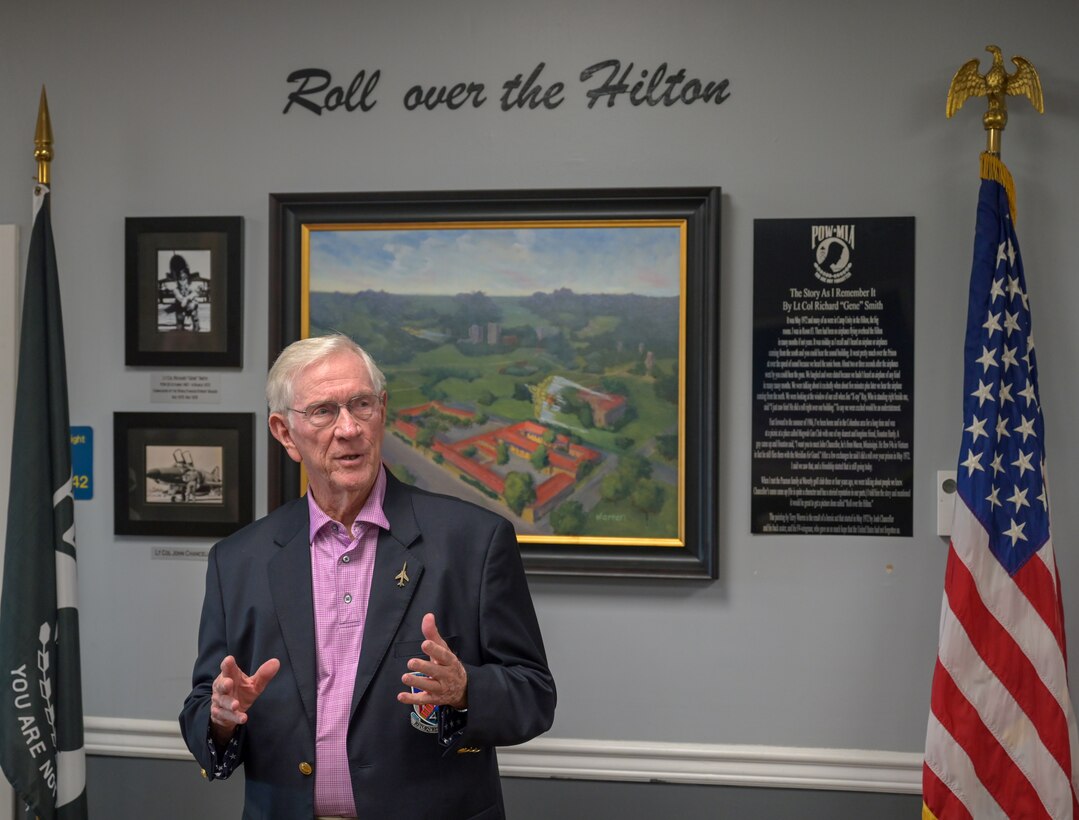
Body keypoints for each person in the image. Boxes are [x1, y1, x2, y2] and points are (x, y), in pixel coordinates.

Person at [179, 334, 555, 819]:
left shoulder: (473, 542)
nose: (349, 428)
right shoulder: (237, 561)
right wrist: (221, 718)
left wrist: (465, 689)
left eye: (361, 405)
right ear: (285, 433)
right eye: (323, 411)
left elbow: (534, 695)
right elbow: (202, 707)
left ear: (382, 410)